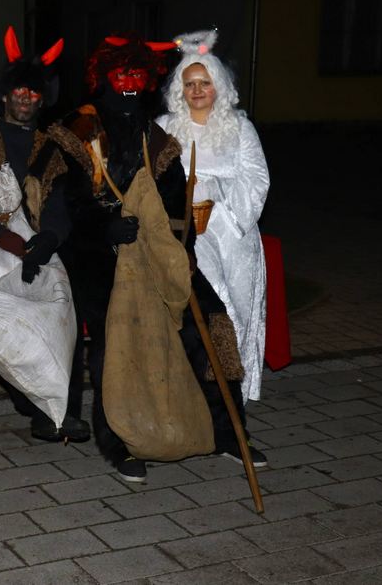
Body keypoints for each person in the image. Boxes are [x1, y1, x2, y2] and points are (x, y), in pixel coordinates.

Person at [26, 32, 265, 483]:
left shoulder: (155, 138)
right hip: (95, 256)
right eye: (122, 75)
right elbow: (57, 201)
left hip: (155, 252)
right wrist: (102, 228)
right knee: (112, 335)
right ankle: (118, 440)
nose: (131, 84)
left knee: (211, 321)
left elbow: (175, 203)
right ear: (104, 78)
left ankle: (228, 430)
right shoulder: (77, 130)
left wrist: (181, 251)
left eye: (138, 75)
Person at [0, 26, 90, 443]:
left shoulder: (52, 147)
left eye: (33, 93)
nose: (25, 98)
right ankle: (33, 399)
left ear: (42, 99)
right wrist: (7, 240)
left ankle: (64, 410)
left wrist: (47, 242)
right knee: (8, 299)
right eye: (19, 91)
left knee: (64, 298)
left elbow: (60, 206)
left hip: (40, 239)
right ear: (5, 95)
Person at [156, 30, 270, 403]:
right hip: (188, 231)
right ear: (180, 88)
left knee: (240, 305)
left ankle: (236, 392)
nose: (197, 90)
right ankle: (204, 388)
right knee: (211, 301)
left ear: (218, 86)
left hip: (234, 229)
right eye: (190, 83)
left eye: (204, 83)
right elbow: (152, 178)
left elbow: (257, 178)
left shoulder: (239, 127)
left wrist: (219, 190)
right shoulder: (165, 127)